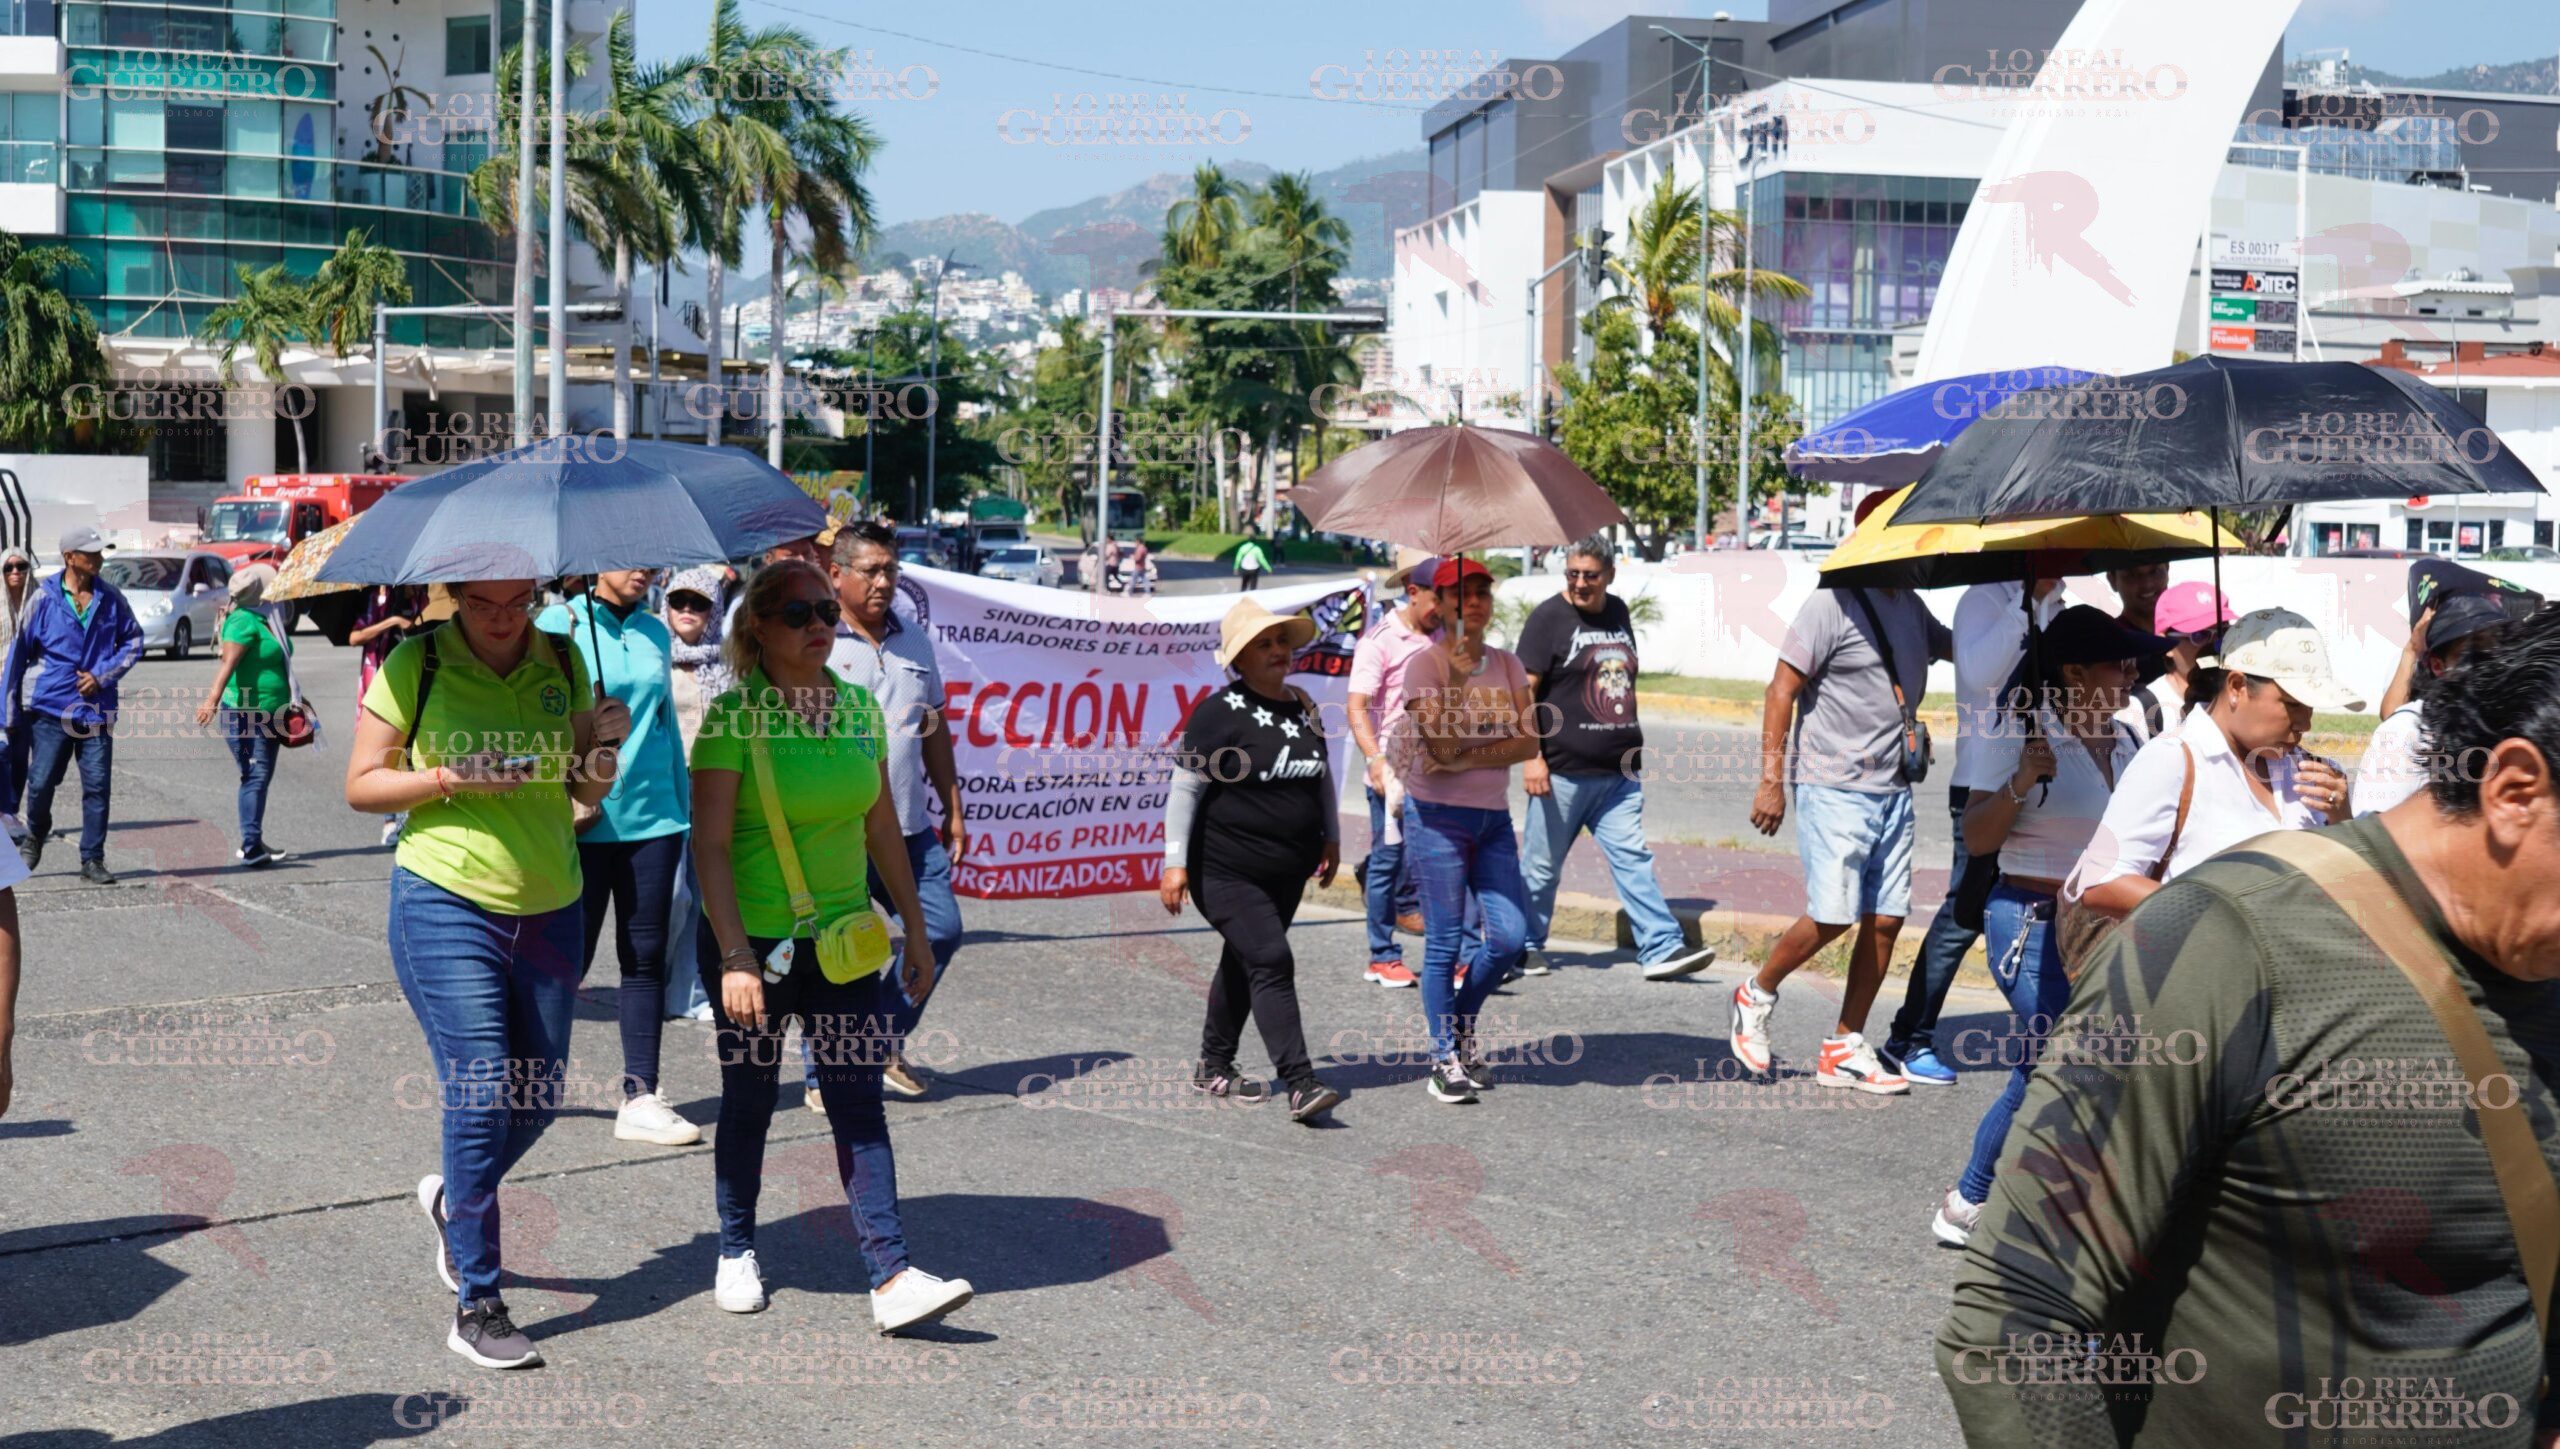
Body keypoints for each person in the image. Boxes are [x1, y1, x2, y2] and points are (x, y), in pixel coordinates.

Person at [1940, 607, 2560, 1446]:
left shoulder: (2302, 779)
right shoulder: (2224, 930)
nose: (2301, 720)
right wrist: (2198, 928)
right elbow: (2015, 1312)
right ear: (2517, 790)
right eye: (2288, 700)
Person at [344, 576, 630, 1370]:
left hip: (550, 903)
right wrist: (451, 778)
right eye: (483, 606)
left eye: (517, 605)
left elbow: (583, 790)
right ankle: (479, 1300)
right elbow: (361, 785)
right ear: (456, 598)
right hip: (444, 899)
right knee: (479, 1088)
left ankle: (452, 1199)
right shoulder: (416, 662)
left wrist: (606, 743)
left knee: (536, 1098)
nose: (502, 622)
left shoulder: (564, 657)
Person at [690, 559, 973, 1333]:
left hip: (845, 942)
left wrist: (913, 927)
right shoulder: (733, 718)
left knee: (857, 1102)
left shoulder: (855, 708)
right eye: (798, 614)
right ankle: (737, 1247)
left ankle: (891, 1276)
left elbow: (882, 826)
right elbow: (709, 847)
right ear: (757, 630)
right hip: (757, 944)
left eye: (825, 611)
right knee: (749, 1101)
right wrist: (735, 957)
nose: (819, 624)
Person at [1928, 607, 2169, 1248]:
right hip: (2030, 924)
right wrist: (2021, 779)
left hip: (2103, 926)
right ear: (2073, 671)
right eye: (2117, 663)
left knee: (2060, 1061)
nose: (2129, 673)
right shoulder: (2022, 731)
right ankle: (1989, 1200)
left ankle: (1988, 1201)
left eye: (2132, 662)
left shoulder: (2131, 738)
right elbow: (1977, 838)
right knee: (2062, 1056)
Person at [1736, 577, 1954, 1094]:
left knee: (1886, 920)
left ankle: (1844, 1046)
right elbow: (1780, 689)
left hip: (1893, 787)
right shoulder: (1828, 606)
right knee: (1834, 913)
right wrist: (1771, 781)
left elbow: (1960, 647)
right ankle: (1756, 994)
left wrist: (2017, 606)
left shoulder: (1911, 604)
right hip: (1832, 785)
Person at [1876, 563, 2063, 1089]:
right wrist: (2025, 600)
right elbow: (1980, 674)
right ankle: (1907, 1039)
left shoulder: (2056, 596)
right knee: (1965, 914)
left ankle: (2051, 1027)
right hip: (1985, 782)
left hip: (2036, 772)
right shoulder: (1984, 599)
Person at [1159, 597, 1345, 1123]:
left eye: (1281, 641)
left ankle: (1213, 1064)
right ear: (1238, 659)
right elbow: (1186, 788)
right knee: (1270, 959)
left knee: (1246, 961)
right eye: (1263, 644)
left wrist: (1331, 838)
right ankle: (1301, 1082)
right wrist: (1175, 864)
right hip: (1224, 870)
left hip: (1288, 869)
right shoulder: (1219, 712)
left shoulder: (1305, 704)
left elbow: (1321, 777)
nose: (1277, 651)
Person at [537, 571, 700, 1149]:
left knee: (645, 956)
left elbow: (664, 731)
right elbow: (538, 713)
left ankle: (642, 1094)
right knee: (565, 959)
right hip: (584, 817)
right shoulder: (559, 623)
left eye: (650, 562)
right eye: (628, 558)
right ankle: (530, 1079)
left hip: (657, 818)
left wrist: (684, 809)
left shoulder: (657, 632)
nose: (642, 571)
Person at [1514, 534, 1715, 983]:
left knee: (1633, 859)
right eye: (1573, 574)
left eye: (1590, 575)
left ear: (1609, 574)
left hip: (1619, 773)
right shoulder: (1548, 618)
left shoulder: (1618, 611)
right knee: (1541, 869)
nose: (1581, 583)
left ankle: (1661, 947)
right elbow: (1523, 689)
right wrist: (1532, 757)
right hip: (1561, 773)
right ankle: (1522, 946)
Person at [2067, 607, 2358, 914]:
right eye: (2293, 705)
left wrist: (2343, 818)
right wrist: (2217, 912)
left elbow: (2350, 884)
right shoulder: (2172, 760)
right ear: (2236, 688)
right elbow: (2099, 883)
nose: (2305, 724)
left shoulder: (2316, 775)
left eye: (2310, 708)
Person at [827, 522, 966, 1102]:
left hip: (910, 828)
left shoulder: (916, 640)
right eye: (872, 571)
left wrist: (952, 807)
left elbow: (932, 727)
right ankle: (825, 1075)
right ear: (837, 576)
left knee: (940, 931)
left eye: (891, 570)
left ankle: (874, 1043)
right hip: (837, 833)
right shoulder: (817, 642)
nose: (885, 582)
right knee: (837, 954)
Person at [1398, 557, 1536, 1104]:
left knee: (1508, 937)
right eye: (1462, 593)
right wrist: (1470, 742)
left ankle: (1460, 1022)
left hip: (1493, 818)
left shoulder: (1507, 663)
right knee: (1444, 943)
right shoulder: (1424, 668)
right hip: (1436, 820)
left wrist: (1464, 755)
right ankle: (1443, 1059)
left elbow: (1527, 744)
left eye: (1483, 592)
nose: (1475, 601)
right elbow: (1442, 748)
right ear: (1439, 604)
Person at [4, 526, 146, 884]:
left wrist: (101, 675)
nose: (99, 558)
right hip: (50, 708)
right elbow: (19, 655)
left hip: (96, 711)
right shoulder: (43, 599)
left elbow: (133, 641)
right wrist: (8, 712)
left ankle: (93, 859)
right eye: (92, 553)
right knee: (40, 783)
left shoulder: (111, 598)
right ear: (70, 557)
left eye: (100, 552)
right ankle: (36, 835)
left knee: (97, 786)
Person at [1344, 555, 1443, 989]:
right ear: (1414, 592)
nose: (1447, 608)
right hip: (1393, 775)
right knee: (1388, 862)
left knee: (1443, 860)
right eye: (1440, 598)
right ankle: (1382, 956)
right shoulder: (1380, 639)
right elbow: (1356, 707)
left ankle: (1455, 955)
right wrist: (1375, 761)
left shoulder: (1446, 636)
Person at [2357, 591, 2511, 818]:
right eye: (2468, 656)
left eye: (2491, 653)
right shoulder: (2404, 732)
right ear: (2438, 666)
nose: (2483, 666)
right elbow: (2373, 834)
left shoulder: (2507, 723)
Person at [659, 567, 729, 1023]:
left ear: (714, 610)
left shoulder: (730, 662)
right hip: (662, 786)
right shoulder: (651, 656)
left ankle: (685, 994)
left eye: (698, 603)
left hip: (711, 788)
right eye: (678, 601)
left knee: (703, 896)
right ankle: (648, 976)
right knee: (672, 896)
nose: (687, 610)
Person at [191, 563, 295, 868]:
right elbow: (227, 665)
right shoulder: (241, 622)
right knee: (255, 775)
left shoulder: (264, 618)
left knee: (260, 777)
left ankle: (254, 839)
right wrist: (210, 701)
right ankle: (251, 846)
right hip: (246, 714)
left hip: (272, 712)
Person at [2114, 581, 2232, 746]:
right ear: (2166, 643)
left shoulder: (2240, 697)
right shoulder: (2141, 712)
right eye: (2199, 635)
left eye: (2223, 632)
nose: (2213, 645)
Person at [0, 546, 36, 824]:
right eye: (8, 567)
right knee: (1, 751)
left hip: (28, 690)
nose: (15, 572)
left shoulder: (40, 602)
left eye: (21, 566)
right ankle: (5, 811)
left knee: (20, 753)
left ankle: (11, 809)